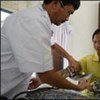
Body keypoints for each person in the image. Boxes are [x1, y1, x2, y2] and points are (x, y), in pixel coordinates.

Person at [1, 0, 90, 99]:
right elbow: (47, 75)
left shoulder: (38, 19)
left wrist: (70, 58)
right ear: (56, 3)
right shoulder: (33, 21)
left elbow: (52, 45)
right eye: (69, 12)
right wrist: (77, 87)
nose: (68, 19)